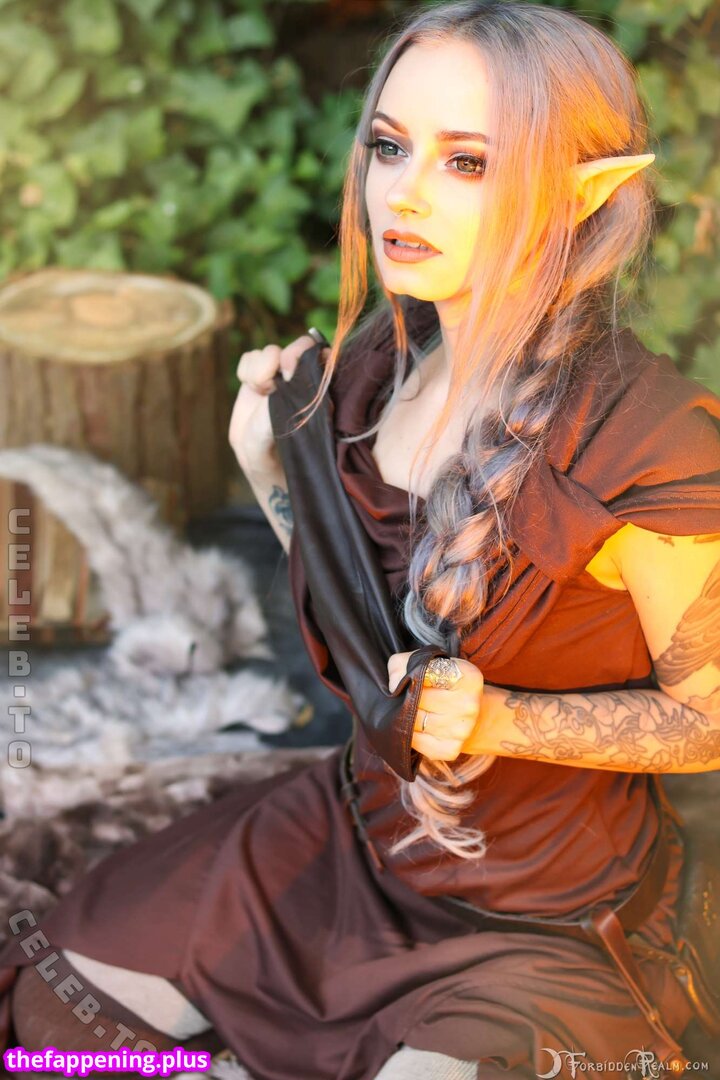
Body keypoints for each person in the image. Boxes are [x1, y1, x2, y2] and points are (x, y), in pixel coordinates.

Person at [1, 1, 719, 1077]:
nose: (405, 193)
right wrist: (270, 470)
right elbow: (365, 624)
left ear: (586, 192)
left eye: (468, 162)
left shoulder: (646, 445)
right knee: (58, 1026)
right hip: (354, 838)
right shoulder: (377, 366)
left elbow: (709, 720)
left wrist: (506, 721)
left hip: (540, 924)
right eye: (390, 146)